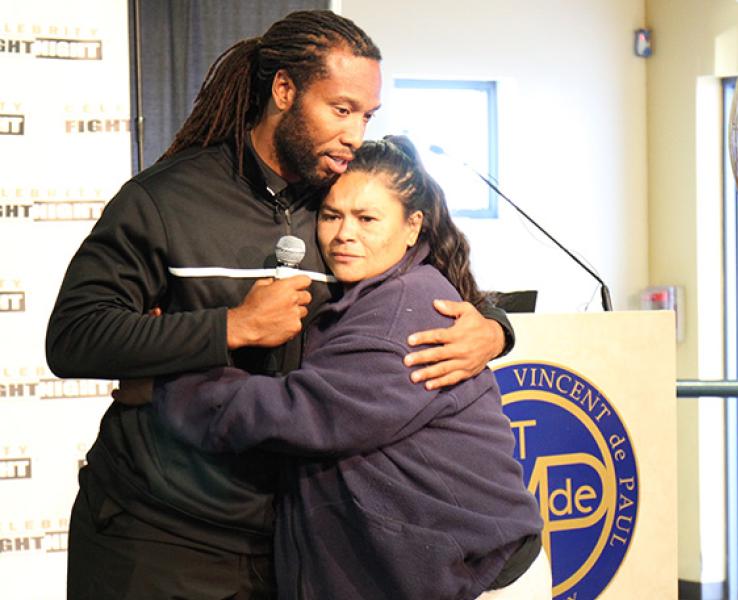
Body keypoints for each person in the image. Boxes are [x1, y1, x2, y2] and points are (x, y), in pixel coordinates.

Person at [45, 11, 514, 599]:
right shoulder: (164, 199)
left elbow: (437, 281)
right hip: (160, 534)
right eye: (340, 109)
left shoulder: (344, 198)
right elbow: (74, 338)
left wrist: (494, 330)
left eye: (366, 116)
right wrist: (232, 326)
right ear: (284, 91)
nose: (354, 134)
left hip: (290, 541)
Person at [152, 135, 551, 600]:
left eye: (367, 219)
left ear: (411, 226)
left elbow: (299, 414)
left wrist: (175, 373)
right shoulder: (376, 293)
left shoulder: (407, 309)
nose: (345, 234)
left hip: (478, 581)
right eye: (331, 215)